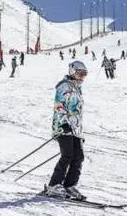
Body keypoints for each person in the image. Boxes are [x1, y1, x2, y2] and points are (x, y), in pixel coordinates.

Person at [45, 61, 88, 200]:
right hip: (62, 126)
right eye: (79, 74)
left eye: (84, 75)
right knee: (67, 155)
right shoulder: (64, 86)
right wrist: (63, 124)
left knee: (79, 157)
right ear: (72, 72)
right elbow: (59, 106)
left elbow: (77, 110)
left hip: (75, 129)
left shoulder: (77, 88)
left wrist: (79, 131)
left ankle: (69, 185)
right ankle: (54, 185)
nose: (81, 77)